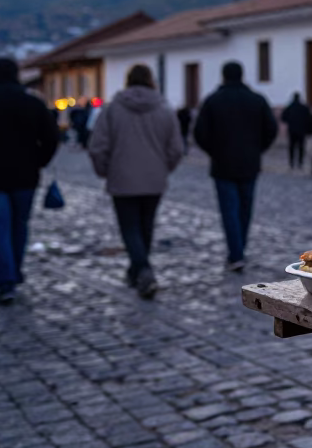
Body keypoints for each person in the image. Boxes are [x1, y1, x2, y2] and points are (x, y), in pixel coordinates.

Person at [87, 65, 183, 299]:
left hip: (122, 177)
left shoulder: (112, 110)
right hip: (154, 179)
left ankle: (143, 271)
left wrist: (104, 171)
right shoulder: (164, 109)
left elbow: (98, 146)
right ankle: (136, 271)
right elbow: (176, 148)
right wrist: (163, 168)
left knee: (129, 228)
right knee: (146, 225)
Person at [0, 58, 59, 304]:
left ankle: (5, 281)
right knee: (19, 226)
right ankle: (15, 270)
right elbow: (52, 138)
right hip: (25, 176)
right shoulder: (32, 104)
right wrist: (38, 161)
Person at [192, 62, 277, 272]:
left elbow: (199, 133)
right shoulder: (257, 100)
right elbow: (271, 129)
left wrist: (214, 151)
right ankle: (240, 249)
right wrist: (257, 149)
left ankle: (236, 254)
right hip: (249, 164)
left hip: (223, 165)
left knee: (229, 211)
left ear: (223, 76)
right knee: (245, 210)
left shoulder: (213, 101)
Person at [281, 93, 311, 170]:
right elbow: (308, 118)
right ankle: (300, 162)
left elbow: (283, 117)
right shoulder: (304, 108)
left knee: (292, 147)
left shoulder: (289, 107)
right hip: (301, 131)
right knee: (301, 147)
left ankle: (291, 162)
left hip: (292, 130)